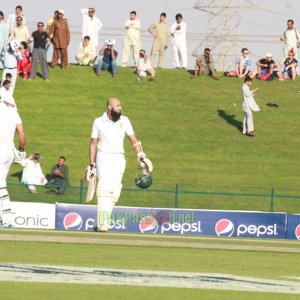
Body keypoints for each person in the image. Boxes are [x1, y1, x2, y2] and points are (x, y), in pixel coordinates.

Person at [89, 98, 152, 232]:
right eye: (117, 106)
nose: (120, 108)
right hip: (103, 156)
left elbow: (133, 139)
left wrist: (141, 156)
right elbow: (93, 143)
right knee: (104, 187)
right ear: (109, 107)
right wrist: (92, 163)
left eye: (120, 106)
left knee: (115, 191)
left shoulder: (125, 120)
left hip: (119, 158)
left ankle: (99, 222)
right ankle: (103, 223)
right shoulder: (98, 122)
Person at [0, 96, 26, 228]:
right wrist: (21, 151)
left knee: (1, 186)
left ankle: (8, 218)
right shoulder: (13, 112)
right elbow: (22, 134)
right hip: (10, 152)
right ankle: (3, 217)